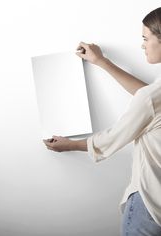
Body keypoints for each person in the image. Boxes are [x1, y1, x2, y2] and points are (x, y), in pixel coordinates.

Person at [43, 7, 161, 236]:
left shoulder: (150, 98)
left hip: (149, 206)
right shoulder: (153, 96)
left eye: (146, 38)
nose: (142, 45)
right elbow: (148, 99)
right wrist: (102, 62)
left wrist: (71, 145)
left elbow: (115, 137)